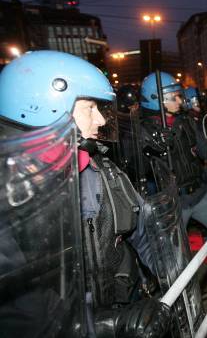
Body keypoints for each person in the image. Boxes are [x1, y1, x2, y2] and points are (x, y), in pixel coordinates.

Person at [0, 51, 172, 338]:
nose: (102, 121)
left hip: (120, 302)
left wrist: (172, 272)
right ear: (45, 107)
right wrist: (102, 325)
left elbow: (145, 227)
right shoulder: (10, 197)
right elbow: (19, 312)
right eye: (90, 108)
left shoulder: (100, 168)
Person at [139, 72, 207, 231]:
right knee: (174, 253)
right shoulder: (143, 130)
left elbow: (204, 148)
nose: (180, 101)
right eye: (173, 97)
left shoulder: (185, 121)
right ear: (156, 99)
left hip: (199, 193)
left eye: (179, 96)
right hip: (171, 203)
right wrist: (155, 148)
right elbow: (139, 169)